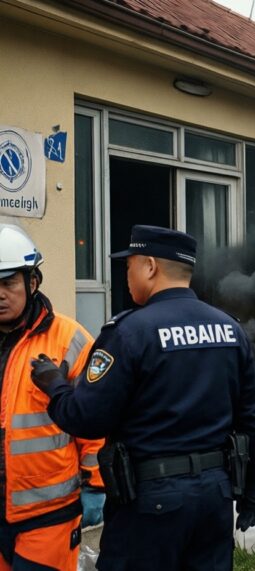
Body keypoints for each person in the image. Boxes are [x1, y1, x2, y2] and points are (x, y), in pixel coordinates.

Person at [30, 225, 255, 571]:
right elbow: (254, 422)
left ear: (150, 267)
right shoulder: (229, 329)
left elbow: (86, 418)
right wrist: (251, 491)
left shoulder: (129, 332)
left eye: (129, 266)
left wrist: (55, 385)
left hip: (151, 502)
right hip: (214, 497)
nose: (126, 276)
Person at [0, 224, 104, 571]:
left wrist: (96, 485)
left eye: (8, 283)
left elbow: (96, 416)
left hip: (48, 514)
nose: (0, 294)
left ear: (32, 282)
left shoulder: (69, 339)